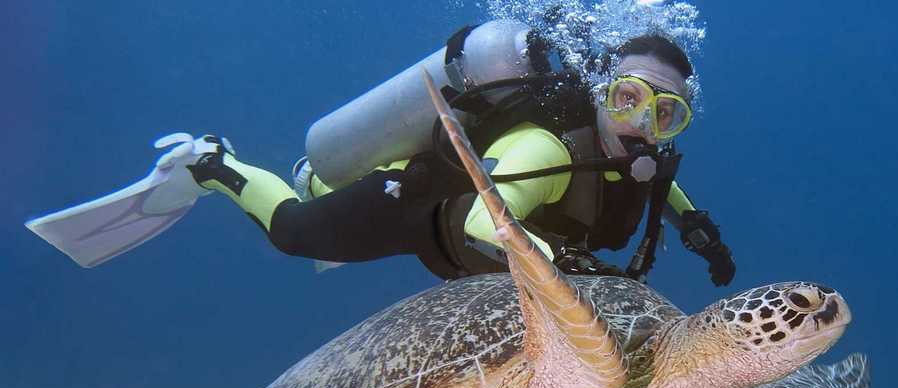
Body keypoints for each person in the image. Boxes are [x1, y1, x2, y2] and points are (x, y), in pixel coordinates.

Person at [27, 26, 735, 286]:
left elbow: (651, 187)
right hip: (419, 210)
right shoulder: (543, 148)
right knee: (295, 232)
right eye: (628, 101)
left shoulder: (644, 160)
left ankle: (308, 180)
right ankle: (214, 165)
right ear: (602, 92)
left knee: (315, 235)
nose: (642, 126)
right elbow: (488, 227)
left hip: (476, 254)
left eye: (664, 113)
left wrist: (700, 231)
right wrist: (563, 273)